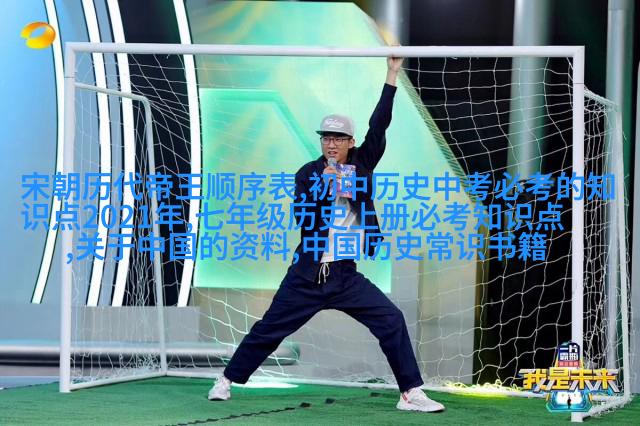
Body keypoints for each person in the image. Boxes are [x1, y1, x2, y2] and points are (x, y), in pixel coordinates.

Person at [208, 55, 445, 413]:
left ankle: (410, 393)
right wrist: (323, 188)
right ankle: (226, 380)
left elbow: (379, 125)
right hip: (307, 274)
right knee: (269, 329)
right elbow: (301, 217)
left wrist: (392, 74)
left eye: (338, 138)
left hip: (344, 275)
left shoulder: (361, 163)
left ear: (351, 141)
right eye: (326, 138)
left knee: (391, 319)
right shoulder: (307, 173)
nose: (331, 144)